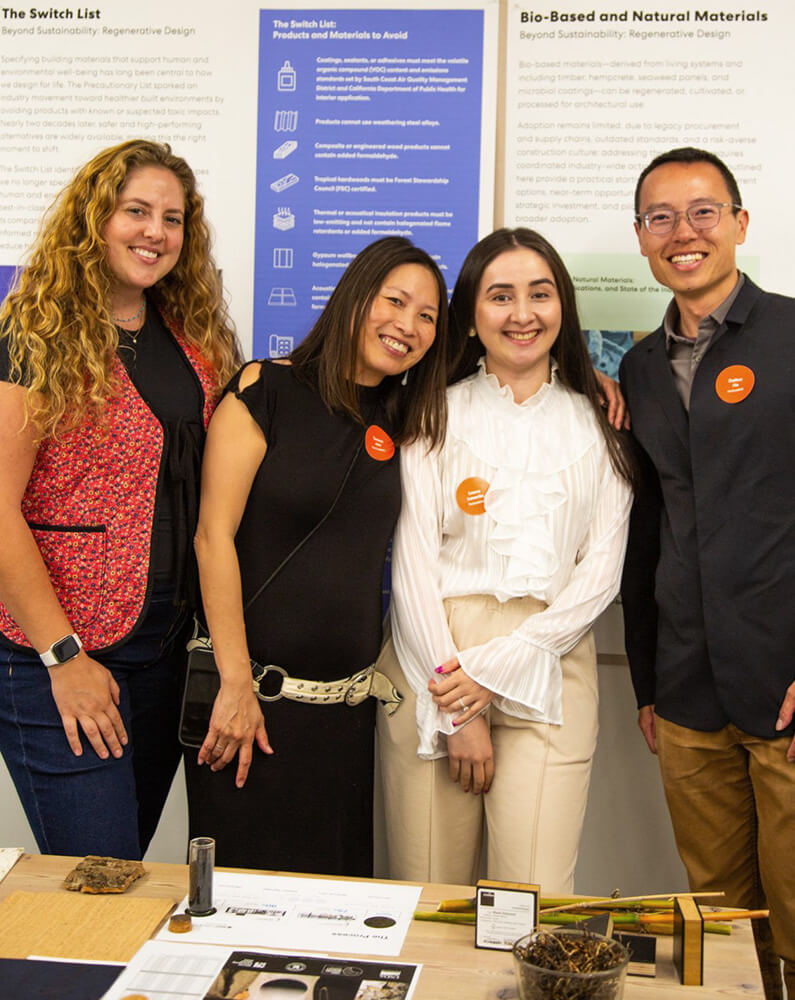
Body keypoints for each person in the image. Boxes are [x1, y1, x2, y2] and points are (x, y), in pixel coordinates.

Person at [0, 139, 240, 860]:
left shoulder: (193, 337)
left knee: (126, 876)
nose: (155, 233)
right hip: (56, 655)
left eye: (172, 219)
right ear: (94, 221)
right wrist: (63, 656)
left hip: (164, 656)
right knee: (97, 878)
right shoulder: (33, 335)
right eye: (135, 211)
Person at [377, 228, 634, 893]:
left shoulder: (600, 424)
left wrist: (499, 670)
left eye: (539, 294)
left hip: (552, 657)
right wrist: (459, 706)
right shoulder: (428, 413)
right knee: (429, 892)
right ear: (469, 314)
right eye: (500, 296)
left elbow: (600, 573)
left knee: (533, 900)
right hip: (433, 662)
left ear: (562, 307)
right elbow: (410, 568)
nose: (522, 314)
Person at [185, 236, 449, 877]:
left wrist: (593, 383)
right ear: (355, 297)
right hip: (249, 705)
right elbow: (211, 537)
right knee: (242, 908)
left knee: (333, 916)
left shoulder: (407, 414)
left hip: (344, 719)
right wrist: (236, 684)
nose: (406, 325)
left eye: (427, 316)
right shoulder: (266, 387)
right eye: (394, 301)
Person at [620, 147, 795, 1000]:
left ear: (738, 224)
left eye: (701, 212)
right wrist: (645, 679)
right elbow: (645, 527)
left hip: (782, 682)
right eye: (660, 218)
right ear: (641, 238)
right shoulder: (640, 368)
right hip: (686, 689)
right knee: (719, 922)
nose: (682, 233)